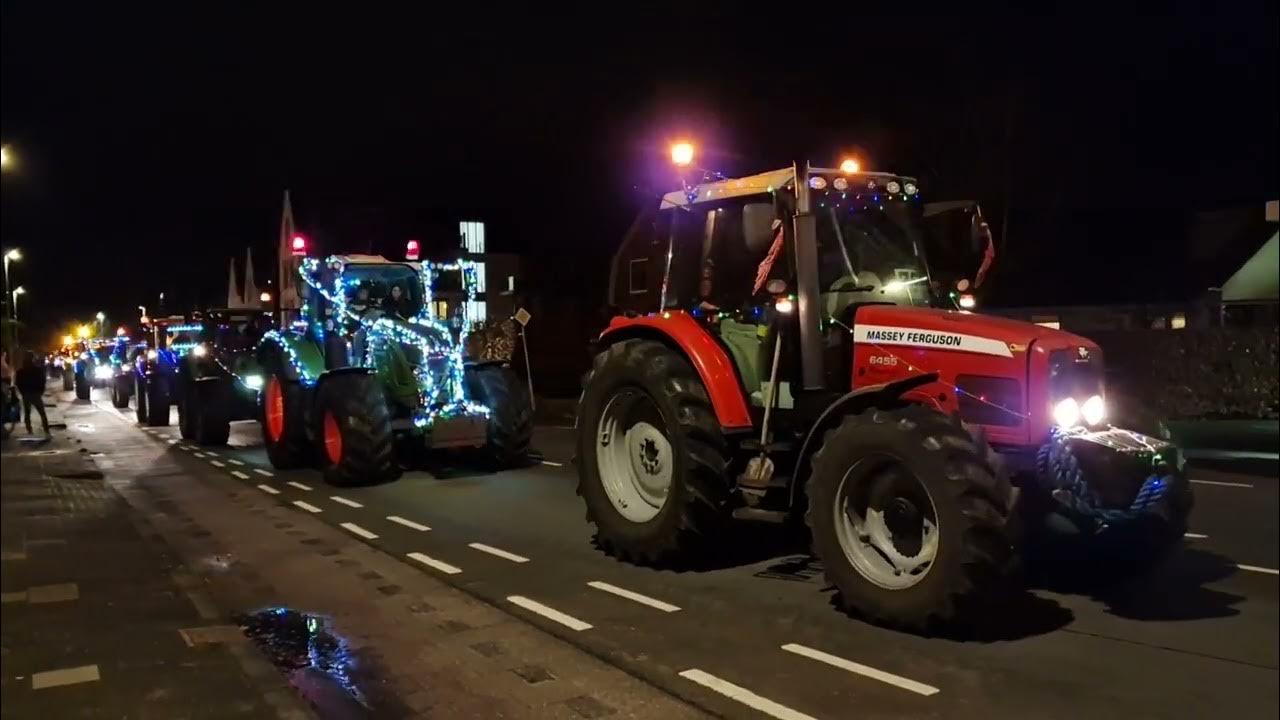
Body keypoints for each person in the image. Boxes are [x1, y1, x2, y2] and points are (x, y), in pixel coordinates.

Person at [15, 351, 50, 436]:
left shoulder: (20, 371)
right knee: (42, 413)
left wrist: (23, 392)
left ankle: (29, 430)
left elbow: (18, 383)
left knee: (27, 413)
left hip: (26, 393)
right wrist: (40, 391)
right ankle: (46, 430)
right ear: (33, 358)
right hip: (36, 393)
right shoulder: (37, 370)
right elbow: (42, 381)